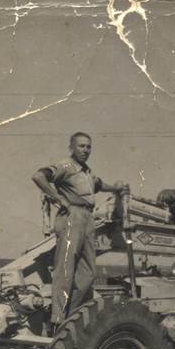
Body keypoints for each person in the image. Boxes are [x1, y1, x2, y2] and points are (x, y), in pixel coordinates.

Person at [32, 131, 127, 324]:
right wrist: (58, 198)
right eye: (81, 146)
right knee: (65, 269)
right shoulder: (66, 166)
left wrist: (116, 188)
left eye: (88, 147)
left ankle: (71, 316)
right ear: (72, 147)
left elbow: (99, 185)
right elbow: (38, 176)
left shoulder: (87, 171)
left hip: (88, 217)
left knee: (88, 272)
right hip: (71, 216)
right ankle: (57, 318)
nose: (85, 150)